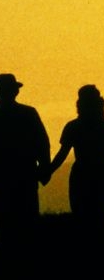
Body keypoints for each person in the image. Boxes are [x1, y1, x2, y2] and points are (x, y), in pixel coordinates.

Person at [50, 84, 104, 231]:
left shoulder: (73, 126)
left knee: (81, 215)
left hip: (81, 173)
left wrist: (47, 171)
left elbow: (62, 153)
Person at [0, 73, 51, 235]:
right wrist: (44, 169)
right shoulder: (28, 113)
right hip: (25, 173)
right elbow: (42, 143)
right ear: (15, 92)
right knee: (27, 220)